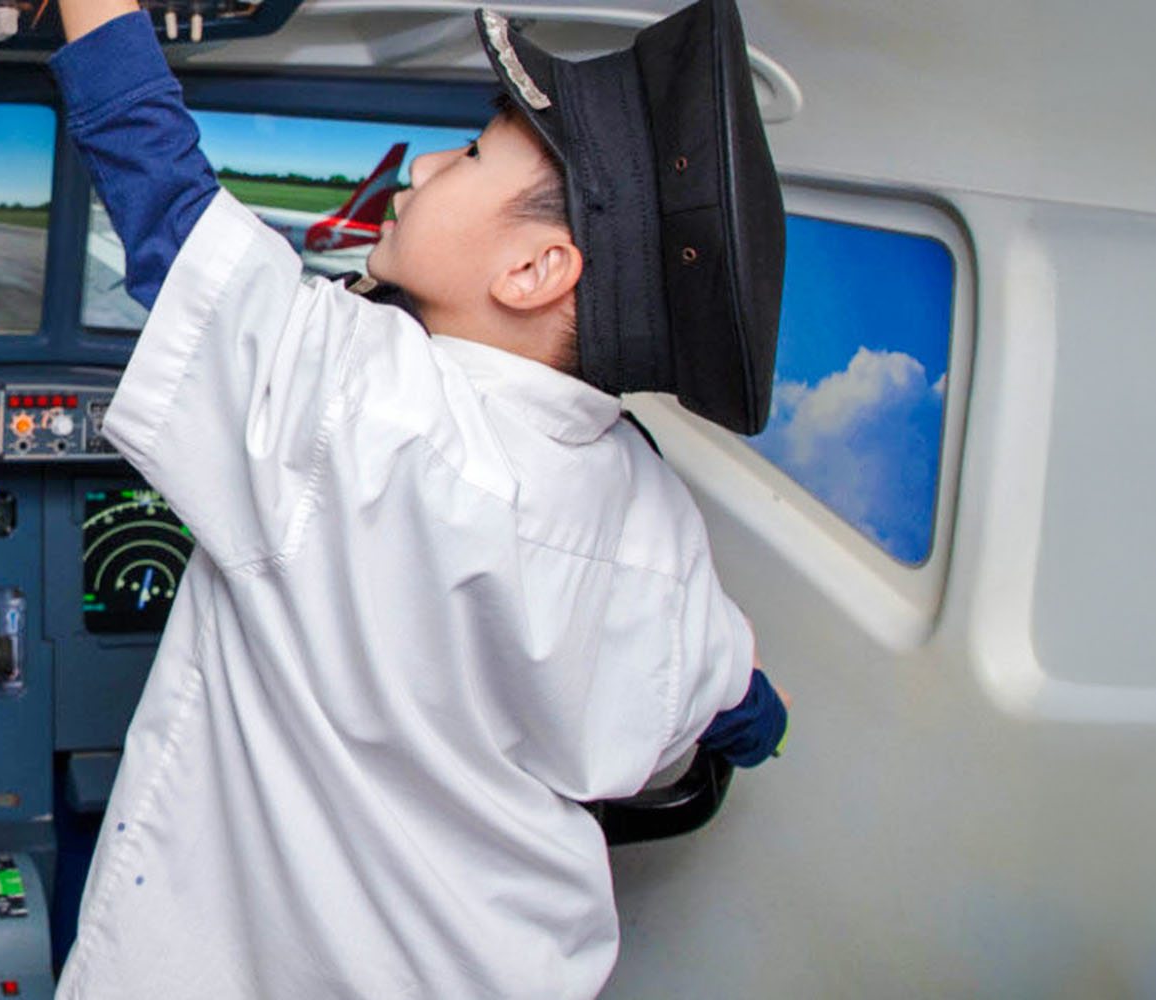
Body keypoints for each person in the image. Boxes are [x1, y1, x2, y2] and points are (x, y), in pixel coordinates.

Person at [49, 0, 790, 996]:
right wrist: (754, 719)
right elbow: (740, 705)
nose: (426, 169)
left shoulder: (361, 410)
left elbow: (161, 196)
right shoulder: (654, 518)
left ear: (534, 270)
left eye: (473, 156)